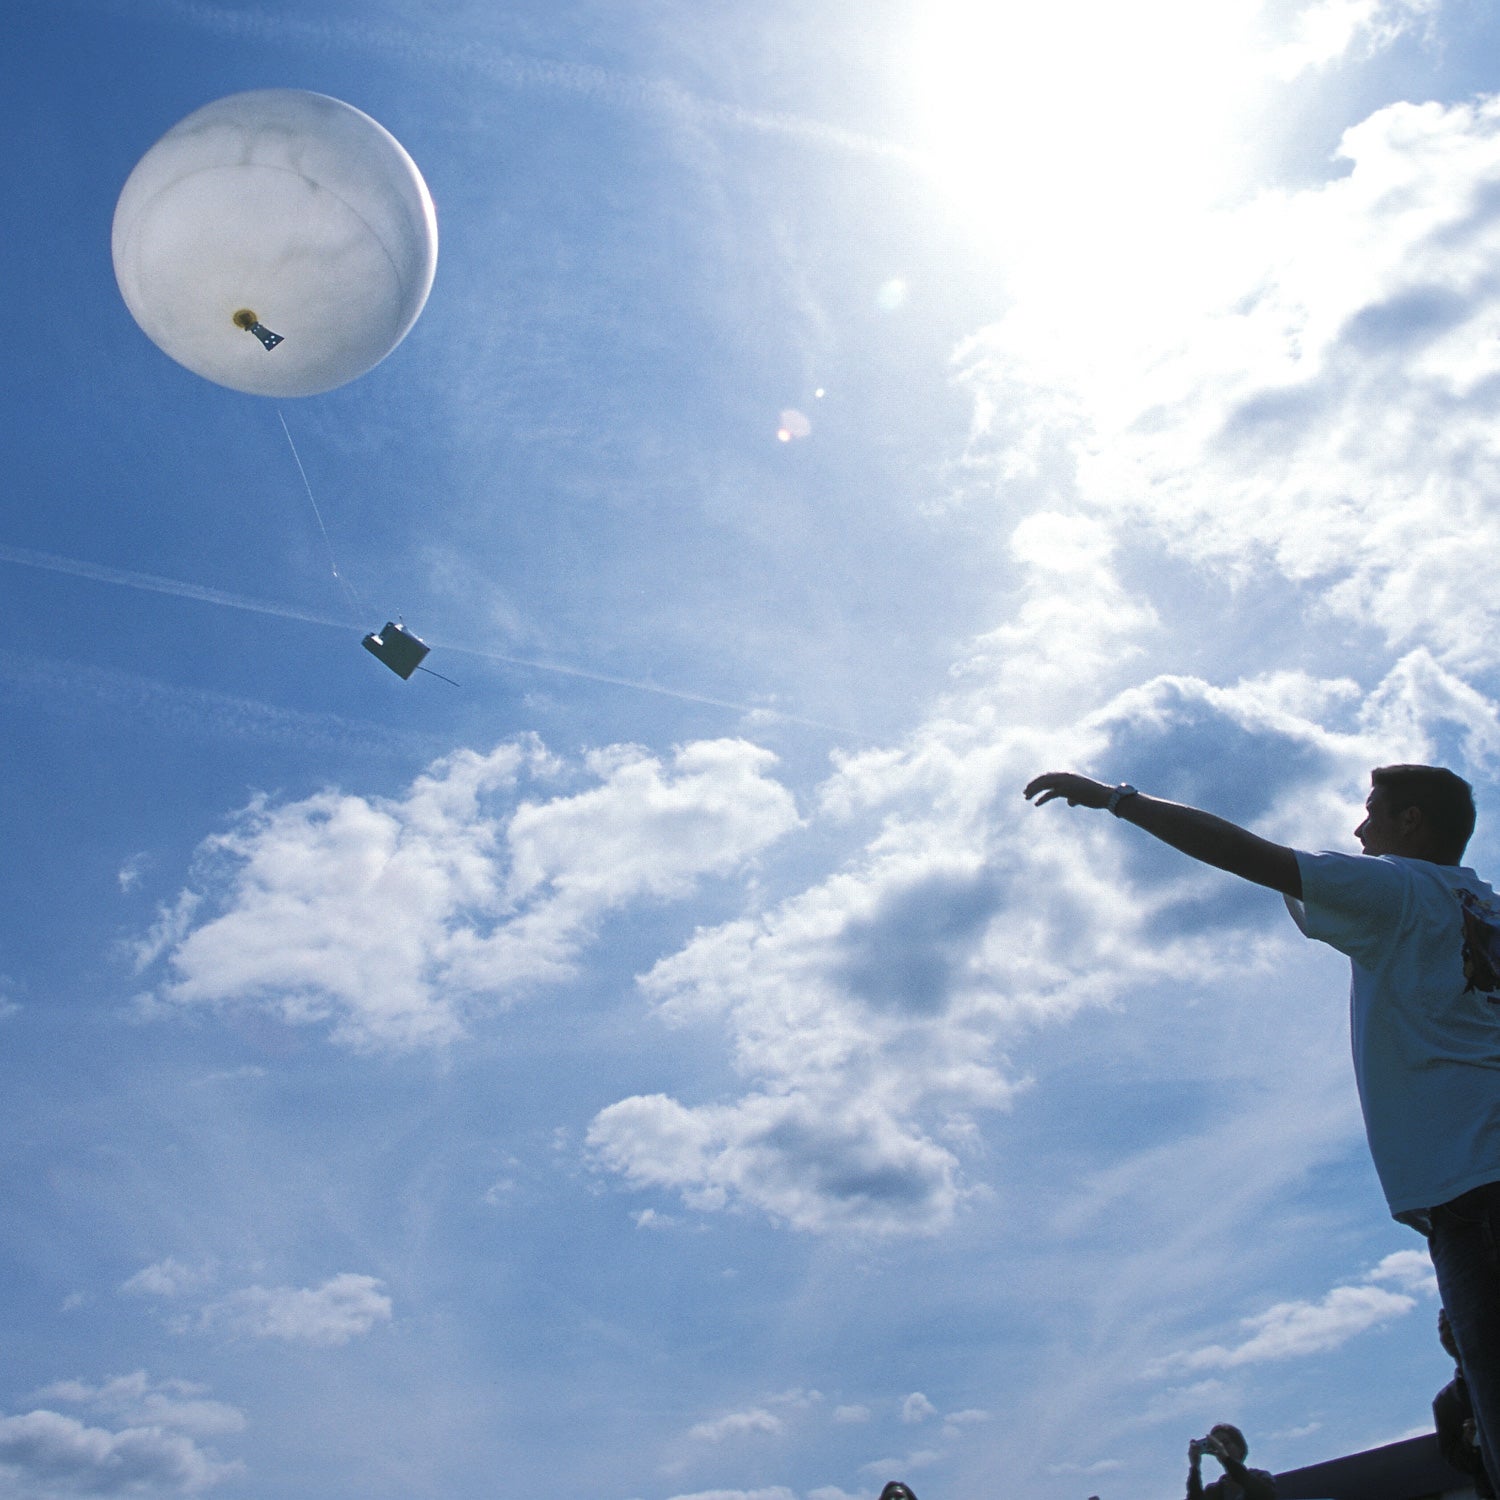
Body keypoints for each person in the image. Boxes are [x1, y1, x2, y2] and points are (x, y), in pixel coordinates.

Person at [1024, 765, 1500, 1485]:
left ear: (1411, 822)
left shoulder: (1399, 888)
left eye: (1372, 812)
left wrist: (1118, 800)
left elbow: (1249, 856)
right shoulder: (1486, 907)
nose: (1358, 829)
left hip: (1476, 1190)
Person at [1436, 1306, 1495, 1497]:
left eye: (1451, 1324)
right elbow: (1458, 1462)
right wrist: (1468, 1442)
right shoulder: (1445, 1402)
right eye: (1442, 1328)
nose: (1447, 1333)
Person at [1185, 1423, 1275, 1500]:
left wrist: (1227, 1459)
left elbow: (1264, 1495)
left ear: (1239, 1447)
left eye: (1226, 1443)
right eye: (1216, 1445)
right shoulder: (1214, 1490)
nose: (1222, 1448)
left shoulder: (1260, 1477)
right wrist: (1194, 1467)